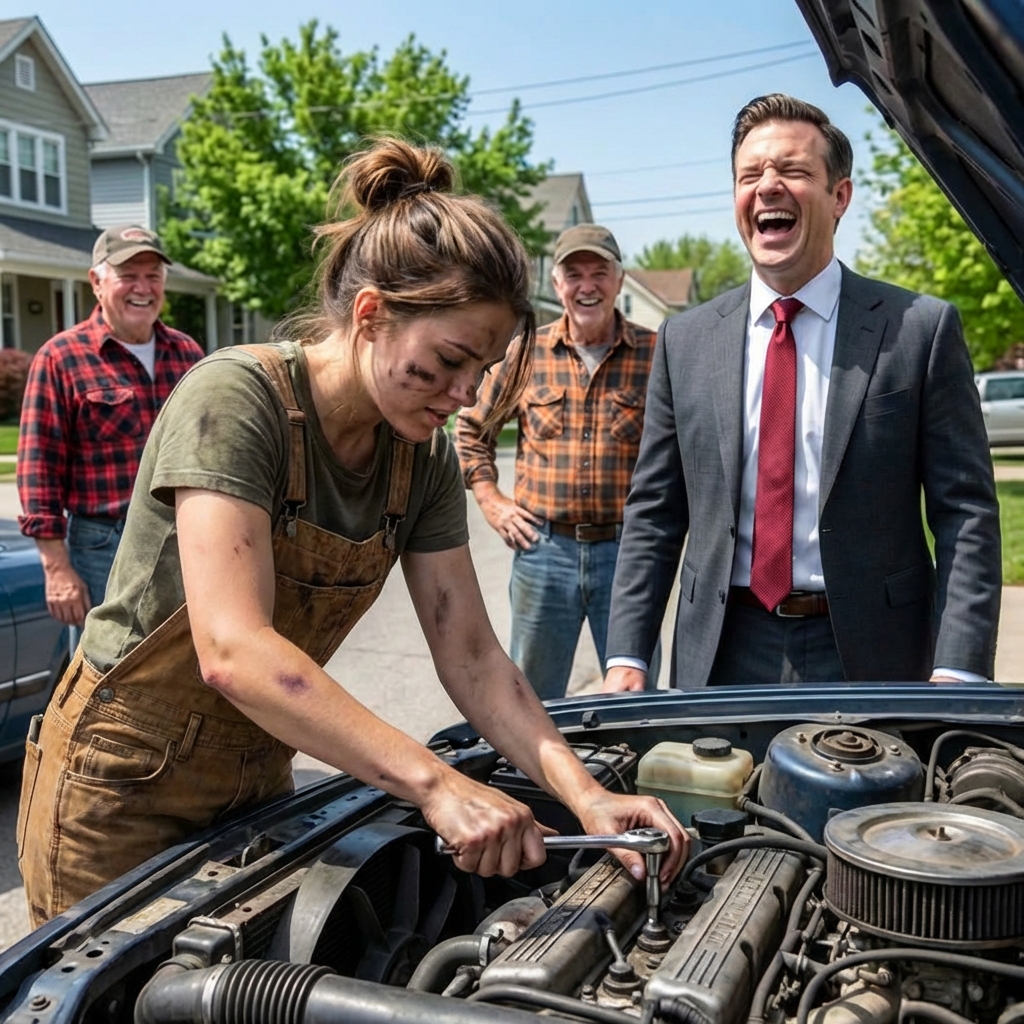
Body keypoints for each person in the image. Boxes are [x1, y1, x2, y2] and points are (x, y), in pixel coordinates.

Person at [17, 140, 686, 927]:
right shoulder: (236, 400)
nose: (464, 394)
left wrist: (588, 795)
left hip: (260, 773)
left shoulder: (422, 457)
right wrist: (435, 782)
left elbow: (471, 654)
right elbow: (233, 649)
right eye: (447, 361)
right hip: (119, 784)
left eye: (481, 371)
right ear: (371, 313)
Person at [602, 94, 1000, 691]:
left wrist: (959, 666)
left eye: (792, 170)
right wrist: (627, 656)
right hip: (720, 650)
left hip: (872, 654)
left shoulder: (919, 327)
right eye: (749, 175)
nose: (767, 187)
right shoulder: (684, 340)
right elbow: (655, 512)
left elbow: (965, 511)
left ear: (840, 196)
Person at [455, 225, 659, 700]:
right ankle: (530, 777)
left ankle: (618, 777)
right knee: (531, 696)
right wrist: (491, 501)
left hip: (628, 555)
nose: (587, 286)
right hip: (544, 552)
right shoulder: (524, 352)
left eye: (599, 273)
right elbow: (471, 429)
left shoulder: (657, 353)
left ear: (620, 281)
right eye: (574, 274)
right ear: (556, 284)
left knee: (634, 694)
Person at [17, 226, 204, 650]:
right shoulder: (60, 358)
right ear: (97, 283)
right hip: (104, 544)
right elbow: (38, 468)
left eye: (153, 276)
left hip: (184, 534)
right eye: (128, 275)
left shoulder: (188, 354)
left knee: (182, 660)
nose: (143, 288)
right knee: (110, 665)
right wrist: (56, 568)